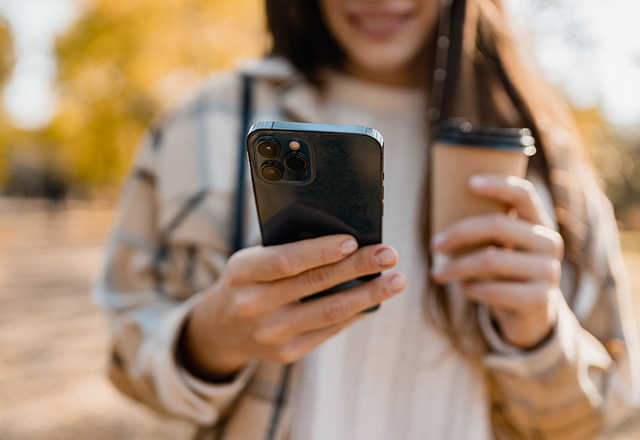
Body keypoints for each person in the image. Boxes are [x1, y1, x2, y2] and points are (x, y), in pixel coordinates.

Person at [92, 0, 640, 438]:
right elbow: (124, 356)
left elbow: (603, 415)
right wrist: (212, 339)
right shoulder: (204, 120)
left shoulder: (545, 150)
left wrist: (537, 334)